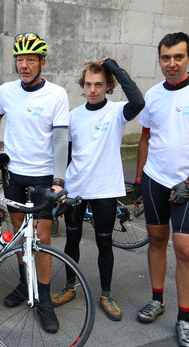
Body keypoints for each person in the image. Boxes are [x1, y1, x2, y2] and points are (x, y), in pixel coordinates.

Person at [0, 33, 69, 333]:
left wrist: (59, 180)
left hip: (44, 176)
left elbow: (61, 138)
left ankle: (43, 298)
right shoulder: (7, 91)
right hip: (15, 175)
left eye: (30, 60)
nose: (24, 65)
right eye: (20, 60)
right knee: (23, 235)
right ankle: (25, 284)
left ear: (42, 63)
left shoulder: (56, 94)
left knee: (43, 238)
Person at [50, 58, 144, 321]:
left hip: (105, 189)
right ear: (83, 85)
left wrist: (115, 68)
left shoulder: (117, 112)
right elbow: (65, 154)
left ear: (108, 86)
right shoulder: (73, 116)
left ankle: (106, 294)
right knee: (71, 238)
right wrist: (60, 184)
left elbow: (138, 101)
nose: (92, 90)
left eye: (99, 84)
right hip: (77, 187)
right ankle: (70, 287)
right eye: (89, 84)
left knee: (104, 241)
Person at [133, 32, 189, 347]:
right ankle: (157, 299)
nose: (172, 64)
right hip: (155, 179)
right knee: (157, 241)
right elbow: (145, 137)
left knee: (185, 249)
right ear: (159, 59)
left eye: (178, 57)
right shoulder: (154, 94)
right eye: (166, 58)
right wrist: (140, 180)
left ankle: (184, 319)